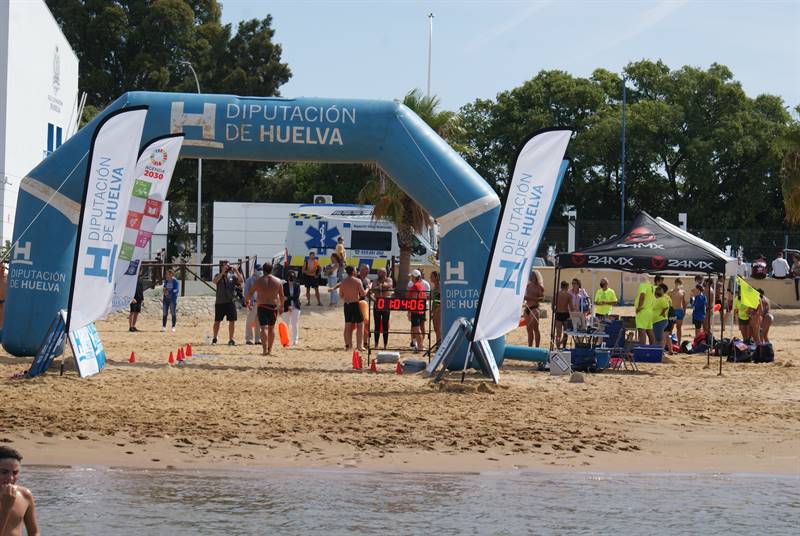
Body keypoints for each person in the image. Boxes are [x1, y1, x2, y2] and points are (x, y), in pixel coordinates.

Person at [245, 263, 284, 356]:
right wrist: (282, 306)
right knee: (271, 329)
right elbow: (282, 296)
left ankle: (264, 349)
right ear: (271, 270)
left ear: (263, 270)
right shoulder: (278, 281)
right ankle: (270, 349)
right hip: (273, 306)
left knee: (263, 328)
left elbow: (250, 293)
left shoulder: (258, 281)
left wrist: (247, 301)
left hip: (262, 306)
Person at [0, 446, 39, 536]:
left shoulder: (25, 495)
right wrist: (5, 508)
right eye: (4, 472)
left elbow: (34, 532)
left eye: (15, 473)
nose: (10, 478)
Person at [212, 260, 243, 345]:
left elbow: (241, 281)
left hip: (230, 302)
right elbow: (214, 281)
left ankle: (231, 339)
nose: (227, 268)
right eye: (225, 266)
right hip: (220, 302)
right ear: (221, 267)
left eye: (228, 266)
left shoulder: (232, 276)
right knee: (217, 321)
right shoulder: (218, 275)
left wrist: (236, 271)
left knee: (232, 321)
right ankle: (214, 337)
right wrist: (222, 273)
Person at [339, 265, 366, 351]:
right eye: (355, 270)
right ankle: (359, 346)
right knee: (360, 325)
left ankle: (348, 345)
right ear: (353, 271)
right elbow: (363, 294)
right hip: (355, 304)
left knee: (348, 325)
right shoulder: (357, 281)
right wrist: (368, 289)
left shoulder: (343, 282)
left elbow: (341, 295)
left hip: (346, 305)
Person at [372, 268, 394, 349]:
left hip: (385, 304)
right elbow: (374, 289)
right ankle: (376, 344)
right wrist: (381, 287)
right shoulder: (375, 280)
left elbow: (389, 285)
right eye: (378, 272)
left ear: (384, 273)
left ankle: (385, 344)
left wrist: (380, 286)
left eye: (380, 272)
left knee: (385, 324)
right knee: (376, 324)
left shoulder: (389, 279)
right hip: (377, 303)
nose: (378, 274)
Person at [635, 276, 661, 344]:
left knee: (641, 331)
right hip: (650, 311)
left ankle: (642, 347)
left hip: (643, 311)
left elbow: (642, 296)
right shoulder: (652, 287)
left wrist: (639, 307)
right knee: (649, 331)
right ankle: (652, 347)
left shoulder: (643, 285)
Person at [407, 269, 428, 352]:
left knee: (416, 329)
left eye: (412, 277)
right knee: (418, 328)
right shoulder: (421, 285)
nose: (411, 278)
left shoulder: (415, 286)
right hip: (420, 309)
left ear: (414, 277)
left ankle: (420, 346)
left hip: (415, 310)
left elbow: (414, 299)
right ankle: (420, 345)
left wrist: (409, 311)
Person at [523, 270, 545, 347]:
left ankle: (537, 347)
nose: (532, 276)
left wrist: (532, 298)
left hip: (534, 308)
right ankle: (530, 347)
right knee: (529, 329)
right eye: (531, 275)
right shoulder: (528, 286)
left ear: (536, 276)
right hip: (527, 308)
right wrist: (525, 297)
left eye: (533, 275)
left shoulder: (539, 286)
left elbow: (542, 298)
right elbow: (524, 296)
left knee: (535, 329)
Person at [243, 266, 262, 345]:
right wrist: (247, 303)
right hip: (252, 303)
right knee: (250, 322)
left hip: (260, 304)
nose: (260, 272)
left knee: (259, 322)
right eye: (259, 270)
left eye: (261, 270)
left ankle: (258, 339)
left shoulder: (262, 280)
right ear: (254, 270)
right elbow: (246, 292)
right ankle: (249, 339)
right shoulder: (249, 280)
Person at [282, 271, 302, 345]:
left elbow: (296, 296)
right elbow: (283, 296)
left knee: (294, 323)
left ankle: (295, 340)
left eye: (292, 278)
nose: (291, 279)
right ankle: (286, 340)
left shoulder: (297, 285)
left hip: (295, 306)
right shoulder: (284, 285)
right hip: (286, 307)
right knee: (286, 324)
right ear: (287, 278)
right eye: (290, 277)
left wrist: (287, 298)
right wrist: (288, 305)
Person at [553, 281, 572, 349]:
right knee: (565, 332)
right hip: (566, 314)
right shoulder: (568, 295)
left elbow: (552, 306)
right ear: (567, 287)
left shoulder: (556, 294)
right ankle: (564, 347)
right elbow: (571, 307)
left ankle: (558, 347)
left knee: (558, 333)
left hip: (558, 314)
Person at [651, 284, 670, 348]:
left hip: (659, 321)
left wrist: (662, 312)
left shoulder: (661, 299)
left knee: (659, 338)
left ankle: (659, 351)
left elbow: (666, 306)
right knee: (657, 338)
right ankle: (658, 350)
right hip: (656, 321)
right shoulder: (657, 299)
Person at [429, 270, 442, 346]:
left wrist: (436, 311)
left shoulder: (439, 287)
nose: (430, 278)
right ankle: (438, 343)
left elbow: (438, 301)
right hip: (435, 309)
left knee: (438, 328)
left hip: (438, 310)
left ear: (436, 277)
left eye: (432, 277)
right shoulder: (435, 287)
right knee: (436, 328)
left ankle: (439, 344)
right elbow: (435, 301)